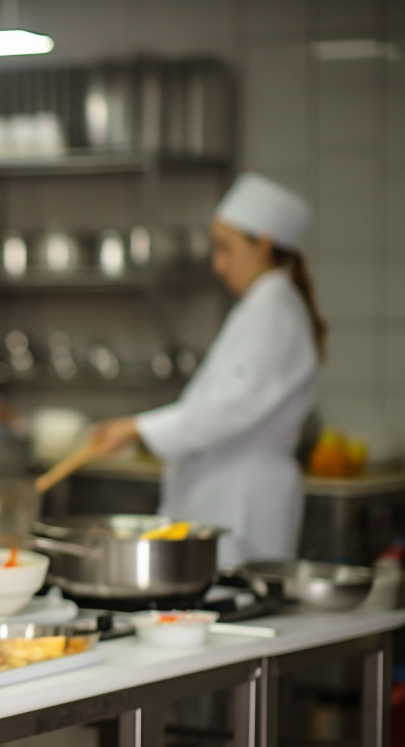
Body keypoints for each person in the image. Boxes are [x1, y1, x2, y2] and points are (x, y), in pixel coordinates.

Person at [88, 173, 324, 568]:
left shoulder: (274, 312)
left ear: (262, 244)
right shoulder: (262, 307)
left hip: (243, 506)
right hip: (226, 499)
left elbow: (228, 408)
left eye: (225, 249)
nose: (218, 265)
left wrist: (138, 429)